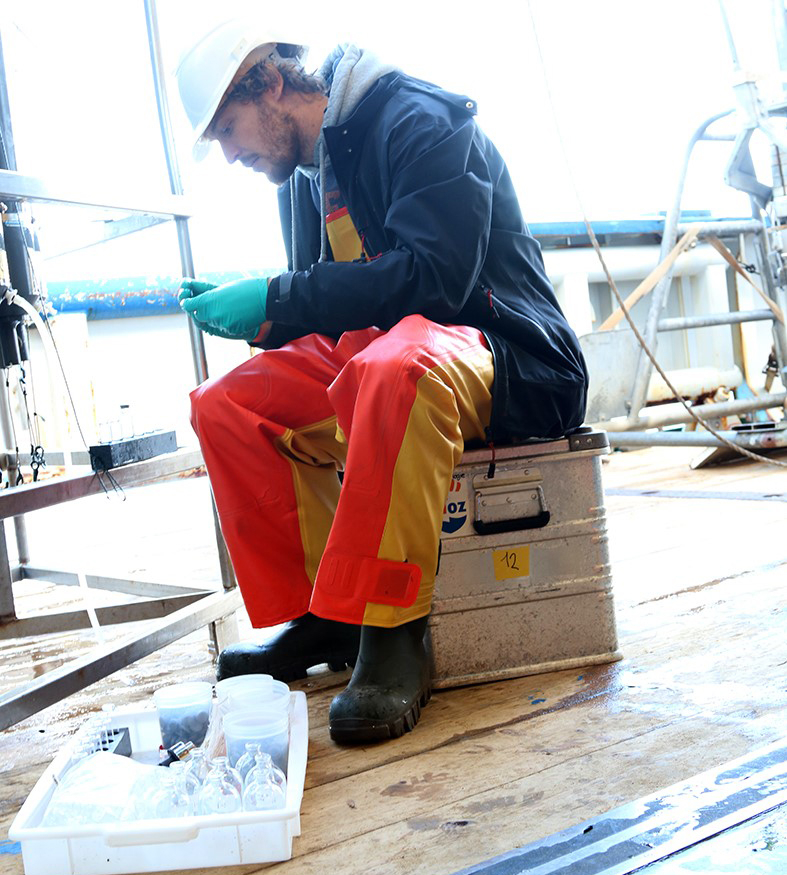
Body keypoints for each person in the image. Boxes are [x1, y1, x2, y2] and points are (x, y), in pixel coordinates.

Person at [175, 20, 588, 744]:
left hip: (506, 353)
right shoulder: (301, 179)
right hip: (385, 361)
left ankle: (394, 629)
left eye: (229, 130)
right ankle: (327, 614)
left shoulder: (419, 121)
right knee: (230, 404)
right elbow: (331, 306)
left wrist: (277, 296)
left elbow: (437, 279)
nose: (231, 153)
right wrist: (267, 317)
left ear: (270, 84)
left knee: (394, 368)